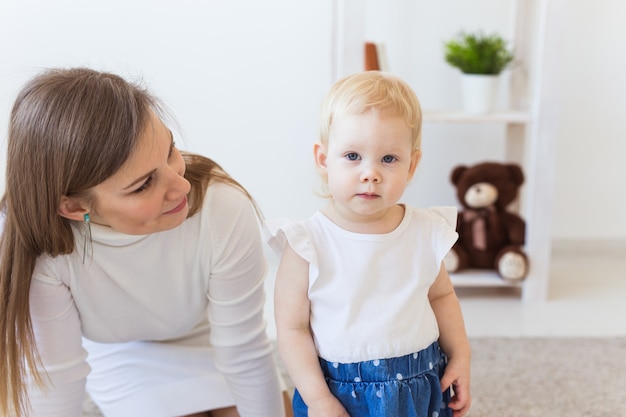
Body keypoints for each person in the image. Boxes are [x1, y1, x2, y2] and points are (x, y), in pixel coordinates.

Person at [0, 67, 292, 417]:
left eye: (170, 150)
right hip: (121, 354)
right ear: (75, 207)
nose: (180, 185)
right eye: (143, 185)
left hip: (212, 338)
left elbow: (245, 351)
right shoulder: (37, 245)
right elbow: (55, 383)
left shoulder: (222, 207)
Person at [267, 71, 472, 417]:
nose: (370, 173)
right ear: (322, 159)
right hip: (339, 393)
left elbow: (441, 296)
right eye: (352, 156)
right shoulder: (307, 243)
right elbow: (291, 328)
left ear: (412, 165)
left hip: (419, 384)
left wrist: (461, 355)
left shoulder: (423, 231)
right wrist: (318, 400)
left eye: (388, 159)